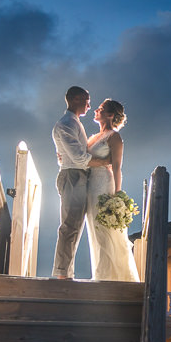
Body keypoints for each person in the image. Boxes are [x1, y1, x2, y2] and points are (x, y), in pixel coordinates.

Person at [51, 86, 110, 280]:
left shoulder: (74, 122)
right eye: (86, 99)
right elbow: (77, 158)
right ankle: (62, 274)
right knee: (70, 225)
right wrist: (103, 162)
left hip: (78, 176)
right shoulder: (66, 123)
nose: (89, 104)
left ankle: (65, 272)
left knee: (75, 225)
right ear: (75, 99)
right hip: (72, 176)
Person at [85, 99, 140, 282]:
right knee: (93, 230)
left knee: (105, 232)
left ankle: (109, 279)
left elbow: (117, 167)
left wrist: (117, 197)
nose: (96, 110)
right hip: (89, 186)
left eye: (100, 108)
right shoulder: (92, 138)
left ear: (109, 115)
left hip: (104, 185)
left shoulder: (114, 137)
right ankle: (99, 274)